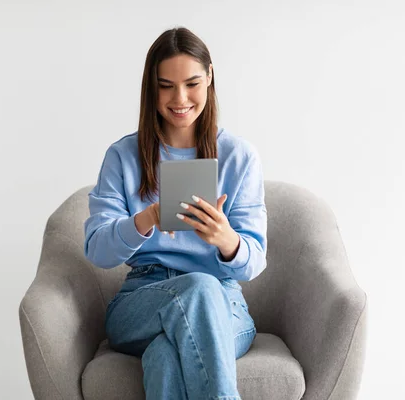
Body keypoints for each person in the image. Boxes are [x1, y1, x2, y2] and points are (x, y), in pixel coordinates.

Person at [83, 26, 267, 400]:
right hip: (143, 299)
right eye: (166, 85)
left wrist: (226, 240)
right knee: (197, 288)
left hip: (223, 300)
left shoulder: (239, 156)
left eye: (191, 83)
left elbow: (254, 262)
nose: (179, 98)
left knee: (165, 356)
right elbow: (97, 251)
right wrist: (145, 220)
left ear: (210, 77)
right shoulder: (122, 157)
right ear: (151, 87)